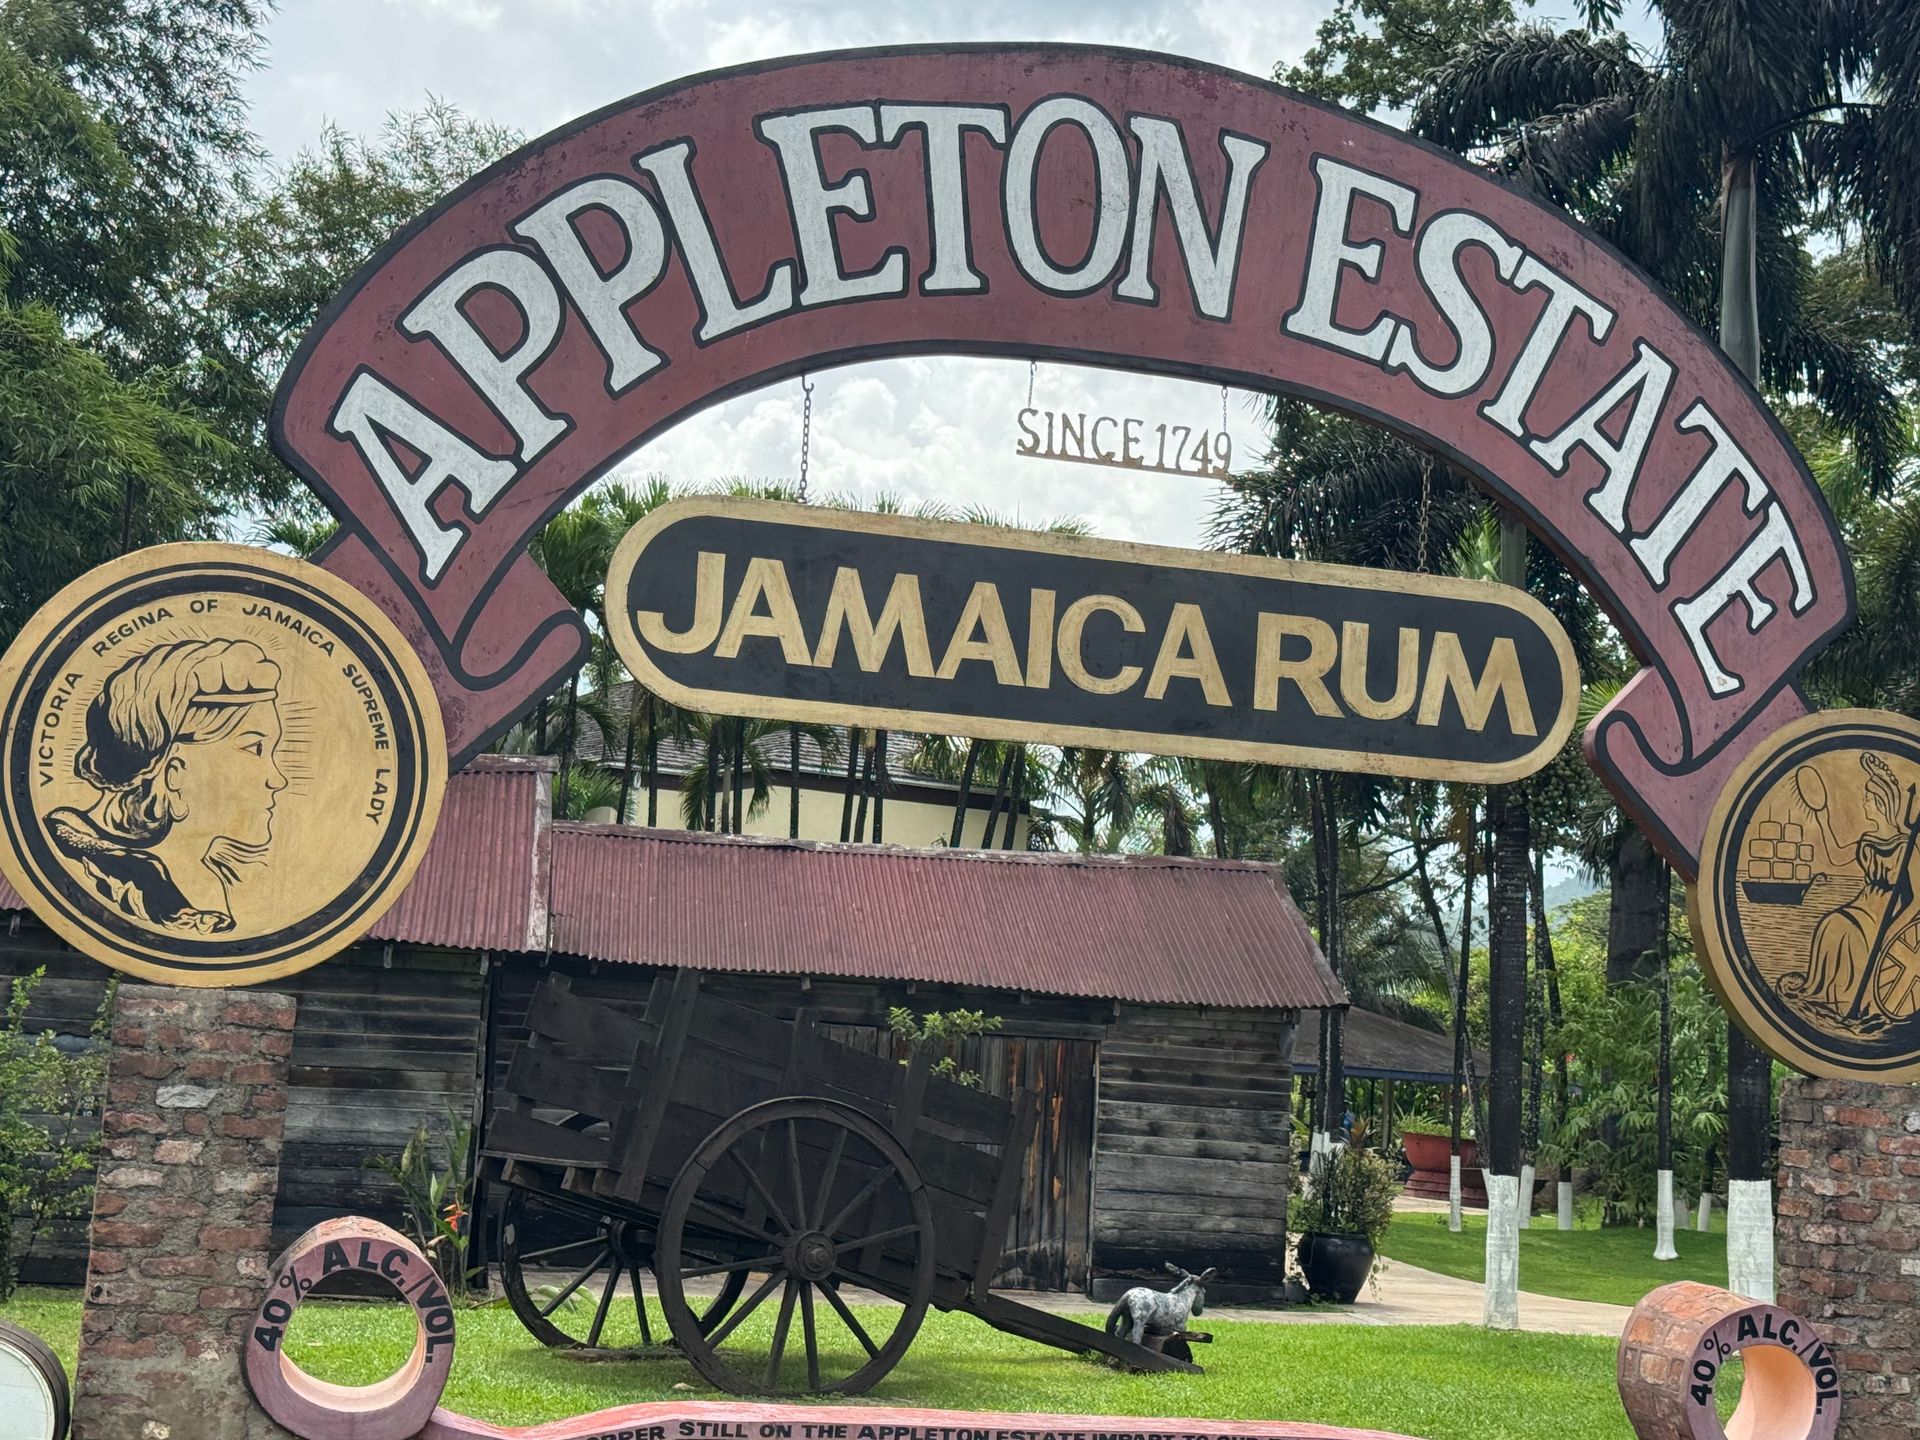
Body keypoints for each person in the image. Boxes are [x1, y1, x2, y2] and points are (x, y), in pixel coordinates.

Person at [46, 639, 288, 934]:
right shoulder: (92, 864)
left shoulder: (203, 883)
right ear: (174, 772)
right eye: (255, 748)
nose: (278, 780)